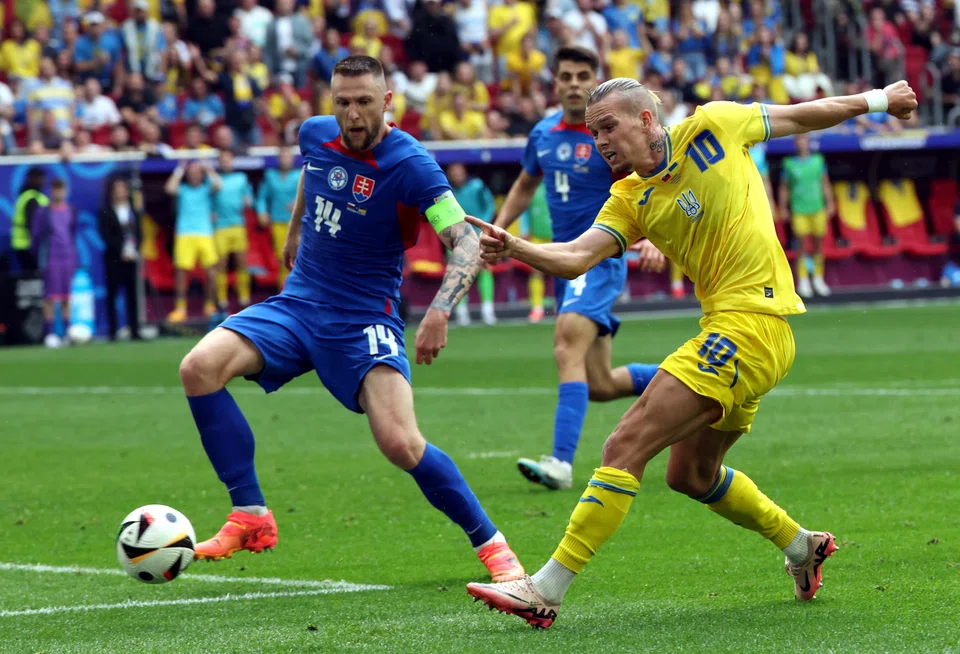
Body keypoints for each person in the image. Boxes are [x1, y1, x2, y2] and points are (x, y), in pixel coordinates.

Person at [464, 79, 918, 627]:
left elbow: (804, 114)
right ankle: (802, 545)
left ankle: (545, 590)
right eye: (593, 132)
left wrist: (879, 100)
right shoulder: (630, 197)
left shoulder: (716, 124)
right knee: (692, 475)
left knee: (625, 442)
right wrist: (516, 247)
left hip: (750, 326)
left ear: (648, 120)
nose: (600, 141)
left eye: (609, 126)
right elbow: (577, 256)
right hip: (747, 335)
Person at [176, 56, 525, 582]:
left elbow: (466, 240)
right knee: (198, 368)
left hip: (364, 317)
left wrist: (439, 310)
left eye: (364, 102)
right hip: (298, 305)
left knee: (401, 443)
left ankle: (494, 546)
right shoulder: (316, 134)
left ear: (388, 102)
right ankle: (249, 513)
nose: (353, 113)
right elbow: (311, 171)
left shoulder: (411, 164)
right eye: (343, 102)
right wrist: (295, 229)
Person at [492, 46, 663, 492]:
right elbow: (526, 183)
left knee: (566, 345)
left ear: (595, 81)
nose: (572, 83)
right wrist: (496, 228)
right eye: (564, 75)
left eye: (582, 75)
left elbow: (650, 182)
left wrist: (654, 239)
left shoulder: (612, 135)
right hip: (562, 263)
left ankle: (561, 464)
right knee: (601, 383)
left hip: (598, 258)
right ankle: (687, 379)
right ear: (555, 82)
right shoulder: (543, 133)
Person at [778, 132, 835, 298]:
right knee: (801, 245)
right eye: (799, 140)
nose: (802, 143)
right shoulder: (788, 163)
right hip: (799, 209)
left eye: (804, 139)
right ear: (795, 143)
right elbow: (784, 187)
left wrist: (830, 202)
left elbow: (825, 183)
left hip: (817, 208)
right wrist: (783, 207)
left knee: (818, 244)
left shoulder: (818, 161)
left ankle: (818, 278)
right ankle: (803, 280)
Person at [164, 160, 222, 322]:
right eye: (191, 172)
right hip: (185, 234)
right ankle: (181, 308)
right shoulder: (182, 190)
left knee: (211, 272)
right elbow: (169, 188)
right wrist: (180, 169)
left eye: (197, 172)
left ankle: (209, 306)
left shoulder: (206, 189)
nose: (194, 175)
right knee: (181, 273)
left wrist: (209, 169)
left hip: (205, 234)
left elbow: (218, 185)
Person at [447, 162, 497, 326]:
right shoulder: (447, 192)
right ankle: (462, 313)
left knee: (485, 270)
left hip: (478, 236)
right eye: (453, 173)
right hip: (456, 238)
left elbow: (489, 205)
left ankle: (488, 311)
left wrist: (483, 226)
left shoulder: (477, 186)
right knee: (458, 274)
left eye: (459, 172)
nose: (457, 176)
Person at [32, 178, 76, 346]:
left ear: (65, 191)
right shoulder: (44, 212)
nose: (58, 193)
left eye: (61, 189)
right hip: (50, 258)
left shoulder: (71, 210)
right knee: (50, 297)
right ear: (51, 191)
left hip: (67, 258)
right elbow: (36, 236)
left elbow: (72, 233)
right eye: (55, 189)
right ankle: (50, 334)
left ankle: (66, 333)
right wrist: (38, 256)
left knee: (66, 297)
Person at [99, 177, 143, 340]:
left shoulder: (133, 210)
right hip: (114, 258)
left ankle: (134, 330)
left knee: (132, 295)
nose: (120, 192)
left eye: (122, 188)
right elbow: (106, 235)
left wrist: (135, 249)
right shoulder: (106, 210)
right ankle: (112, 331)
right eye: (117, 189)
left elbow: (139, 233)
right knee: (112, 294)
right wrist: (121, 250)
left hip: (131, 258)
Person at [213, 150, 255, 309]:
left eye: (228, 160)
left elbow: (250, 199)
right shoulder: (214, 180)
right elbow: (209, 198)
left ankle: (244, 297)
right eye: (222, 160)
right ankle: (221, 299)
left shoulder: (241, 178)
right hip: (220, 227)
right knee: (221, 264)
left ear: (233, 162)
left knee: (241, 263)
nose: (225, 163)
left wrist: (248, 200)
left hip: (238, 225)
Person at [256, 145, 300, 290]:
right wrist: (262, 212)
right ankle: (284, 291)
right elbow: (262, 197)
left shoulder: (300, 175)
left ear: (292, 158)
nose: (285, 159)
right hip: (278, 222)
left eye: (287, 156)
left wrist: (299, 202)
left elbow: (311, 194)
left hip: (298, 223)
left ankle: (299, 291)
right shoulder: (270, 176)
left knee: (299, 258)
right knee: (283, 259)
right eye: (282, 156)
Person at [10, 167, 48, 273]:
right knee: (32, 276)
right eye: (38, 178)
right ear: (31, 179)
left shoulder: (27, 195)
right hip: (29, 245)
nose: (42, 181)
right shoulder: (32, 198)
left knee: (29, 275)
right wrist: (36, 244)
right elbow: (31, 224)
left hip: (23, 244)